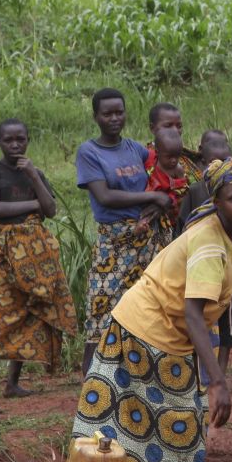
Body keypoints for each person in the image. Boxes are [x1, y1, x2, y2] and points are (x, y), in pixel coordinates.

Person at [72, 158, 232, 462]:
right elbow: (193, 314)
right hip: (145, 328)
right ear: (217, 202)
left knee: (175, 425)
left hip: (168, 333)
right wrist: (217, 382)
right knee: (163, 422)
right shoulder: (210, 242)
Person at [0, 119, 78, 400]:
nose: (15, 145)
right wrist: (34, 204)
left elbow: (51, 210)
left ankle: (12, 384)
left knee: (29, 311)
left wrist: (33, 175)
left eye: (21, 139)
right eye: (9, 140)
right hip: (2, 253)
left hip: (34, 255)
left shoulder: (35, 172)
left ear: (28, 140)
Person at [77, 88, 171, 376]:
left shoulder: (136, 149)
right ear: (96, 117)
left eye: (119, 112)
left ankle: (139, 373)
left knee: (145, 305)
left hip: (147, 239)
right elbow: (104, 197)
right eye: (107, 114)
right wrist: (151, 198)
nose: (115, 118)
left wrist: (159, 202)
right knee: (101, 302)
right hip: (114, 241)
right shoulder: (89, 152)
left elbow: (163, 175)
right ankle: (91, 376)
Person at [185, 130, 232, 374]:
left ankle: (220, 372)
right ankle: (204, 371)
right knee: (201, 315)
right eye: (214, 162)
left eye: (225, 161)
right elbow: (184, 228)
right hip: (201, 269)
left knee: (228, 323)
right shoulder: (195, 191)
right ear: (203, 161)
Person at [141, 127, 191, 248]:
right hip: (150, 204)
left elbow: (181, 192)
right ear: (157, 152)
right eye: (169, 157)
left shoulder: (177, 169)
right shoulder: (151, 162)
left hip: (170, 211)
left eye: (177, 156)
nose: (174, 160)